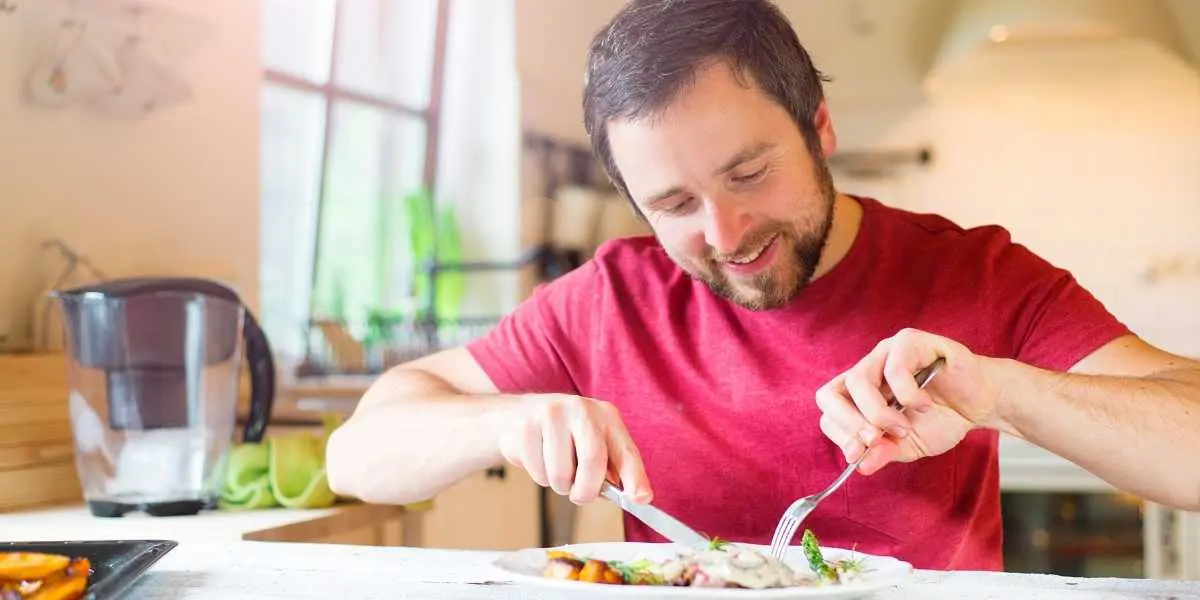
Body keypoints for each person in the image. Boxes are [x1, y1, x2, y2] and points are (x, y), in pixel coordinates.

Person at [326, 0, 1200, 571]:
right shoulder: (611, 299)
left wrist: (1000, 390)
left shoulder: (968, 271)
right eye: (673, 203)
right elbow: (357, 457)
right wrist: (502, 420)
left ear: (819, 127)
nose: (724, 235)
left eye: (749, 173)